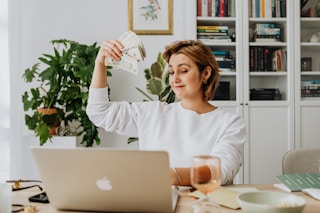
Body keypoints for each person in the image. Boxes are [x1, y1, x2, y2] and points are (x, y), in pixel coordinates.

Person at [86, 39, 246, 187]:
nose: (175, 79)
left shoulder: (230, 123)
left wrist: (172, 175)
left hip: (203, 205)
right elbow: (100, 112)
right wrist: (100, 63)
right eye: (171, 72)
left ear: (205, 74)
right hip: (156, 202)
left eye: (183, 70)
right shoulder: (153, 113)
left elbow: (221, 171)